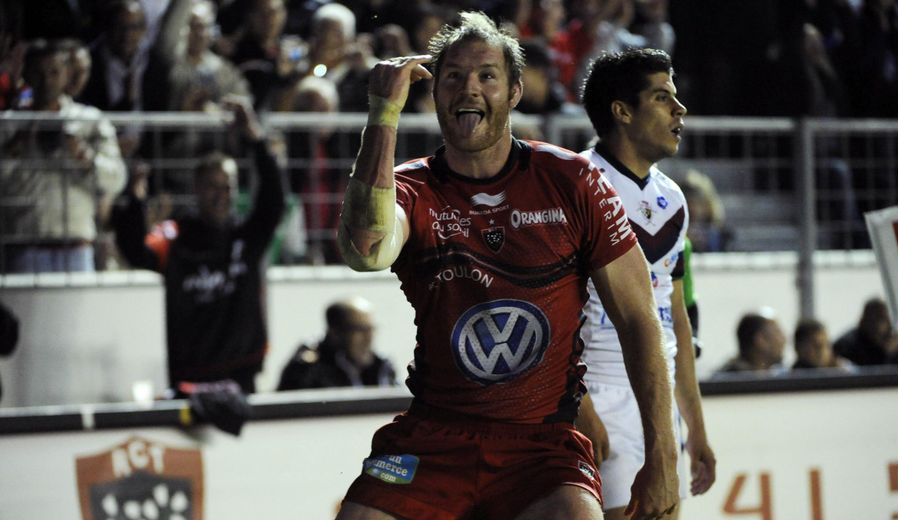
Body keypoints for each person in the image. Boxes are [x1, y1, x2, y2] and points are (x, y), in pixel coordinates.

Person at [334, 12, 678, 520]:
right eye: (453, 76)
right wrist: (383, 114)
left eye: (486, 76)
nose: (468, 88)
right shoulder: (411, 188)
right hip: (431, 440)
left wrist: (663, 455)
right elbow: (365, 250)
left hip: (541, 446)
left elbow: (639, 319)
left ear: (515, 91)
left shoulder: (573, 180)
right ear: (435, 94)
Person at [576, 48, 715, 519]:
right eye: (662, 97)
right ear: (622, 111)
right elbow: (547, 309)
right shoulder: (575, 184)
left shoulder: (673, 198)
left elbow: (674, 317)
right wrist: (579, 405)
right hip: (599, 389)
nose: (680, 109)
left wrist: (695, 426)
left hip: (656, 398)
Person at [111, 96, 284, 396]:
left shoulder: (248, 236)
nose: (221, 195)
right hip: (190, 376)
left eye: (227, 187)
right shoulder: (175, 237)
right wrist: (134, 202)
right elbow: (136, 253)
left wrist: (255, 139)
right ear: (196, 189)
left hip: (242, 373)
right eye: (212, 186)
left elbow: (274, 199)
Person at [1, 39, 126, 273]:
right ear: (25, 75)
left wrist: (83, 156)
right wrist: (16, 146)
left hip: (77, 246)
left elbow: (116, 179)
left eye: (54, 72)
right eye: (38, 73)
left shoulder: (89, 121)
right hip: (23, 245)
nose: (46, 80)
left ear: (66, 74)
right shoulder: (9, 124)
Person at [276, 297, 396, 390]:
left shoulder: (381, 365)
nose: (368, 337)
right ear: (335, 332)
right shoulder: (308, 369)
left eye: (371, 329)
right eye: (360, 330)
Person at [833, 297, 898, 366]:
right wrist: (888, 353)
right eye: (880, 318)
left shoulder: (890, 339)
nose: (888, 324)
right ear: (864, 320)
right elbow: (872, 375)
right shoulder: (848, 344)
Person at [714, 308, 786, 375]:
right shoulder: (729, 379)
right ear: (761, 340)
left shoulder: (777, 373)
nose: (783, 339)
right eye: (777, 333)